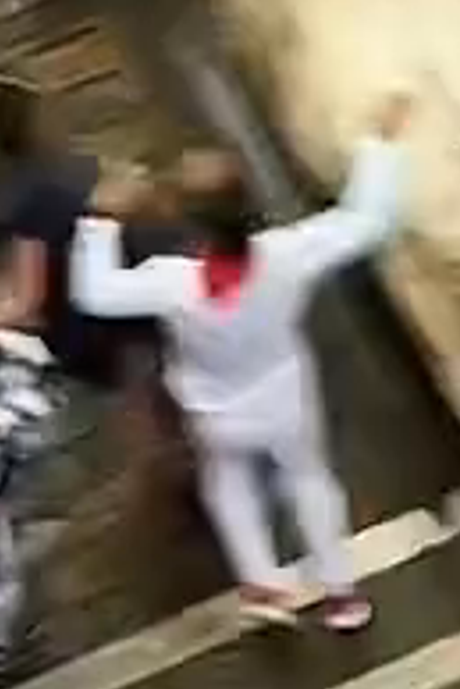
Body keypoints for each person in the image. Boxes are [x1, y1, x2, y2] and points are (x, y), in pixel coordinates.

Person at [70, 119, 409, 628]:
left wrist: (99, 218)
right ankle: (343, 594)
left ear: (194, 227)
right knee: (310, 481)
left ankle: (262, 583)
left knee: (229, 485)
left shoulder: (172, 282)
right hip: (284, 398)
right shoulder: (289, 254)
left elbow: (93, 291)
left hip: (214, 409)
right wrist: (378, 143)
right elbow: (369, 220)